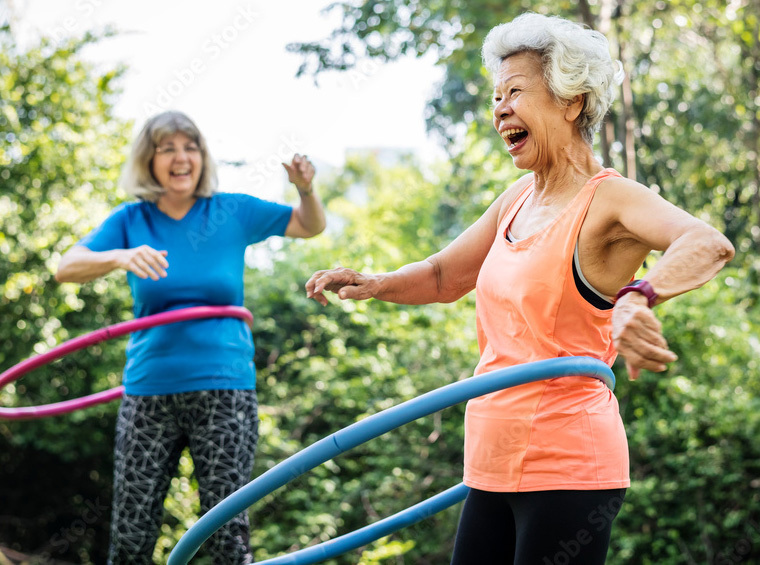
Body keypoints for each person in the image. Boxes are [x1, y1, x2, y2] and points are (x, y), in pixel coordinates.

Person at [304, 13, 734, 565]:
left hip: (568, 464)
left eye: (515, 92)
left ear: (571, 101)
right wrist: (374, 283)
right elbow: (443, 276)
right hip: (488, 462)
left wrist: (639, 296)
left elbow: (708, 242)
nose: (499, 108)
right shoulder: (517, 198)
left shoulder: (610, 199)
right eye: (495, 96)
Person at [55, 110, 325, 564]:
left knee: (225, 534)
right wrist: (120, 256)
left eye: (190, 147)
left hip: (225, 390)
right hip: (148, 391)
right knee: (131, 531)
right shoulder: (131, 220)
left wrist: (305, 188)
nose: (181, 158)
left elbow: (309, 224)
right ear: (150, 159)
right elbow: (66, 267)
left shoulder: (232, 210)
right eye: (167, 148)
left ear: (202, 157)